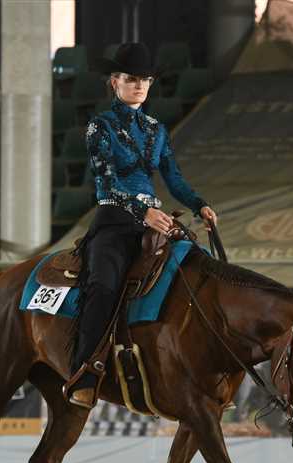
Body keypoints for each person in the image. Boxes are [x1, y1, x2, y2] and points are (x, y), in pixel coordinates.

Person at [64, 42, 218, 408]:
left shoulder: (155, 129)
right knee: (103, 285)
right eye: (132, 79)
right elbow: (106, 184)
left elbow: (173, 178)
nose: (139, 86)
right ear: (114, 82)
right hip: (114, 221)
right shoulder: (99, 127)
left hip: (154, 221)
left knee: (197, 270)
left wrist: (199, 204)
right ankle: (84, 372)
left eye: (145, 80)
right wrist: (142, 211)